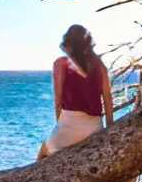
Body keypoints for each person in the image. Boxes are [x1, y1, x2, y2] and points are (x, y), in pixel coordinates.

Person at [37, 24, 114, 159]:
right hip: (94, 128)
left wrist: (61, 127)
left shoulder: (61, 63)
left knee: (43, 152)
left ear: (68, 43)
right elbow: (108, 100)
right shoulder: (99, 65)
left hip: (68, 126)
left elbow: (58, 101)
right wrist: (109, 129)